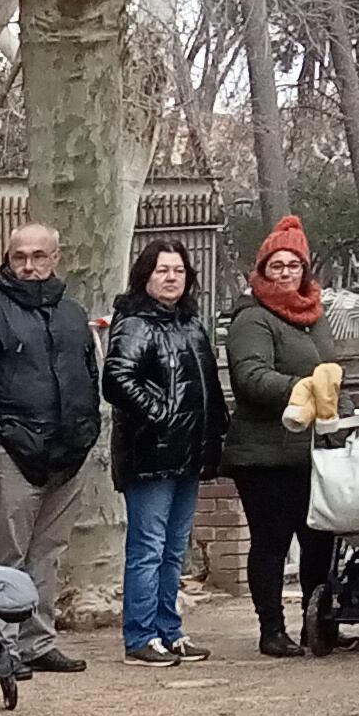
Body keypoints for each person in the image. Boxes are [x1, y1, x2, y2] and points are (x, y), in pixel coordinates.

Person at [0, 218, 103, 671]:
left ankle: (37, 641)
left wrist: (86, 434)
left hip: (67, 455)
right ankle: (0, 646)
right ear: (8, 259)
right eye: (20, 257)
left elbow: (89, 377)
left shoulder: (72, 315)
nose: (29, 265)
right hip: (11, 454)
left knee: (48, 554)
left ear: (55, 258)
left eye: (38, 256)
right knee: (8, 558)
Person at [224, 216, 344, 657]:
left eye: (294, 264)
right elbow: (250, 377)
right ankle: (271, 628)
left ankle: (320, 625)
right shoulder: (252, 318)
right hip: (265, 451)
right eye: (276, 265)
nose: (286, 272)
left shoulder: (315, 315)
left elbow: (329, 372)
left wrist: (337, 407)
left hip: (313, 449)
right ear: (262, 269)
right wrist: (302, 388)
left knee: (319, 540)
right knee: (272, 542)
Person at [103, 236, 215, 662]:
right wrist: (163, 413)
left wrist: (211, 435)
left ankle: (170, 629)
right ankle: (139, 635)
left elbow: (206, 389)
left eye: (179, 271)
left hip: (187, 451)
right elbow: (117, 379)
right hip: (150, 453)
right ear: (145, 276)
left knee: (174, 548)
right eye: (162, 270)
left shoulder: (189, 323)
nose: (171, 278)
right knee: (148, 547)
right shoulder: (134, 322)